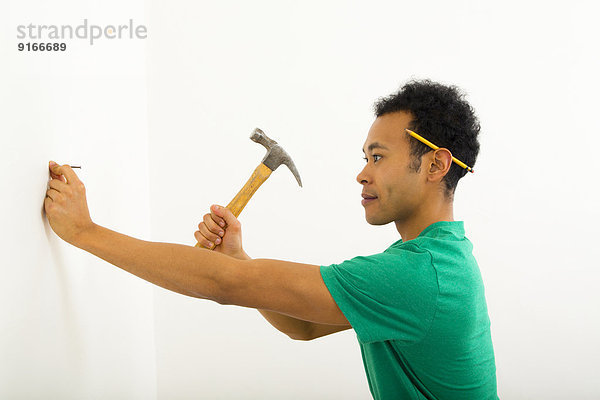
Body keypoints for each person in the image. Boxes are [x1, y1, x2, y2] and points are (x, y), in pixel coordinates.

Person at [44, 78, 498, 399]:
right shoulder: (438, 258)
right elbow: (304, 326)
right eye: (364, 157)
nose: (361, 174)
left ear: (436, 165)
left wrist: (85, 232)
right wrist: (237, 257)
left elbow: (224, 286)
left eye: (377, 157)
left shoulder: (418, 276)